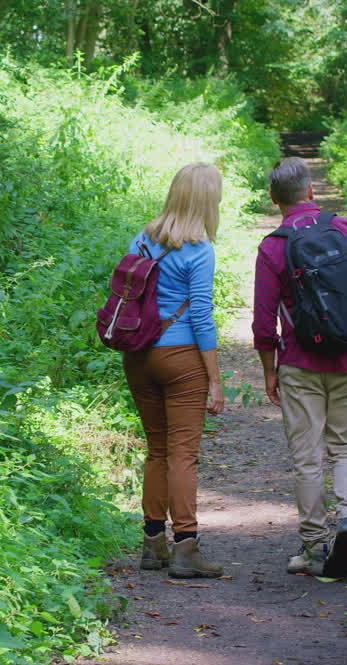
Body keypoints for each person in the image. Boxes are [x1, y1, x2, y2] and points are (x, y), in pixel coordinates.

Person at [252, 156, 347, 578]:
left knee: (307, 456)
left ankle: (313, 547)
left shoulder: (273, 246)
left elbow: (263, 323)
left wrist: (270, 370)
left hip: (300, 363)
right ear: (310, 190)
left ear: (274, 199)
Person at [125, 162, 226, 579]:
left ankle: (153, 545)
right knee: (183, 453)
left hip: (138, 354)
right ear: (207, 200)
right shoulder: (199, 249)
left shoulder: (141, 239)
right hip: (182, 357)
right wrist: (215, 378)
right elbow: (201, 315)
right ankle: (185, 547)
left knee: (158, 450)